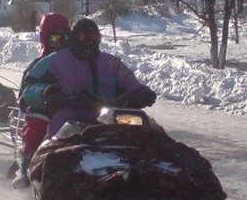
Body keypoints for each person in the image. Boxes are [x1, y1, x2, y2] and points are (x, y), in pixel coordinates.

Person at [21, 17, 157, 141]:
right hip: (70, 116)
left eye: (95, 37)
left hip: (109, 117)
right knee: (55, 149)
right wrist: (47, 92)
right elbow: (29, 87)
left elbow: (130, 81)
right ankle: (41, 162)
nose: (90, 42)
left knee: (149, 135)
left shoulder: (111, 63)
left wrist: (141, 92)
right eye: (85, 37)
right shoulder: (55, 61)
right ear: (74, 38)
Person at [9, 12, 70, 187]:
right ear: (45, 38)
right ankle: (26, 166)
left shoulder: (77, 61)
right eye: (56, 38)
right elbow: (25, 94)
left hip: (76, 105)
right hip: (46, 108)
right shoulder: (39, 65)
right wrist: (44, 94)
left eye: (66, 38)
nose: (61, 44)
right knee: (38, 122)